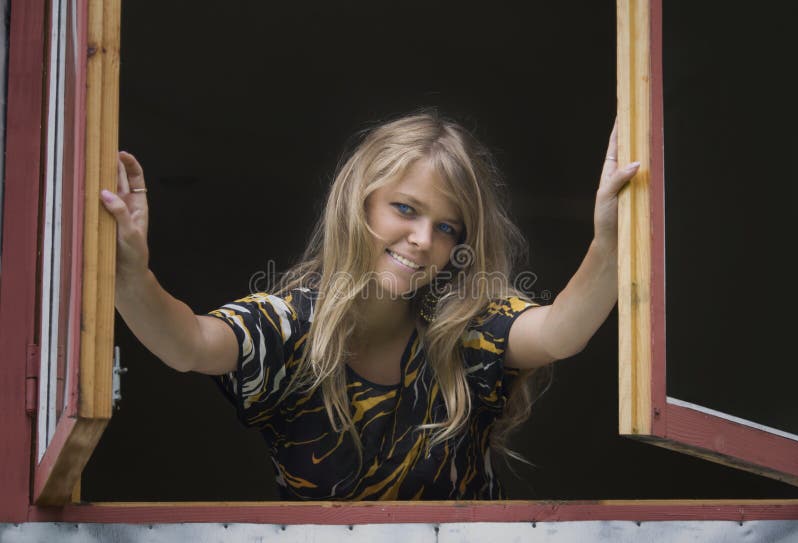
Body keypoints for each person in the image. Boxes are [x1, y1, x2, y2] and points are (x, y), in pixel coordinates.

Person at [100, 111, 639, 500]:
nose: (423, 238)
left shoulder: (465, 328)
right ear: (360, 202)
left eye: (446, 227)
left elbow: (561, 332)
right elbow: (188, 343)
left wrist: (610, 244)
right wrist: (129, 275)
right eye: (405, 208)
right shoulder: (289, 324)